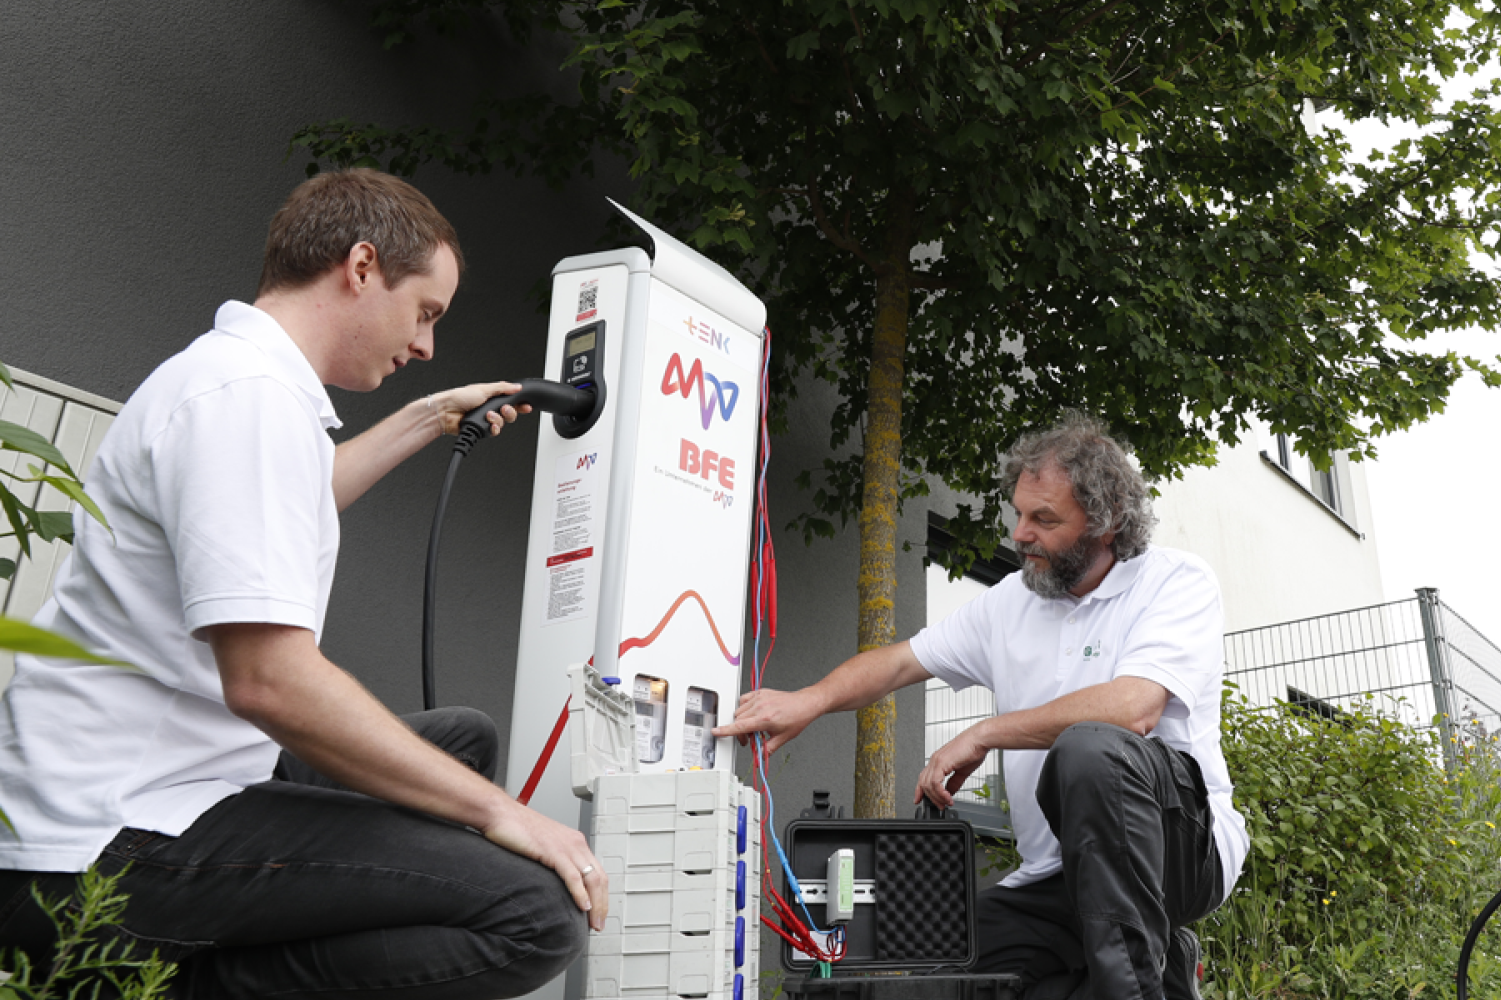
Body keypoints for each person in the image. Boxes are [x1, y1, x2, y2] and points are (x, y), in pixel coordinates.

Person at [0, 169, 606, 999]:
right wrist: (498, 813)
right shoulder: (245, 401)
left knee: (458, 738)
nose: (427, 344)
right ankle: (172, 986)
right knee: (534, 915)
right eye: (426, 312)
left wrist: (431, 417)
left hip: (174, 781)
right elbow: (269, 683)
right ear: (361, 267)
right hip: (102, 842)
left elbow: (295, 497)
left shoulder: (246, 386)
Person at [716, 414, 1247, 1000]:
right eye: (1019, 513)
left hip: (1177, 857)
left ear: (1106, 524)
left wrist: (987, 732)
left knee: (1091, 750)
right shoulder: (1009, 603)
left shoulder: (1175, 582)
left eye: (1044, 519)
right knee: (900, 979)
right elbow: (897, 662)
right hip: (1055, 881)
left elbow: (1132, 709)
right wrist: (807, 701)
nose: (1020, 534)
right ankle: (1152, 968)